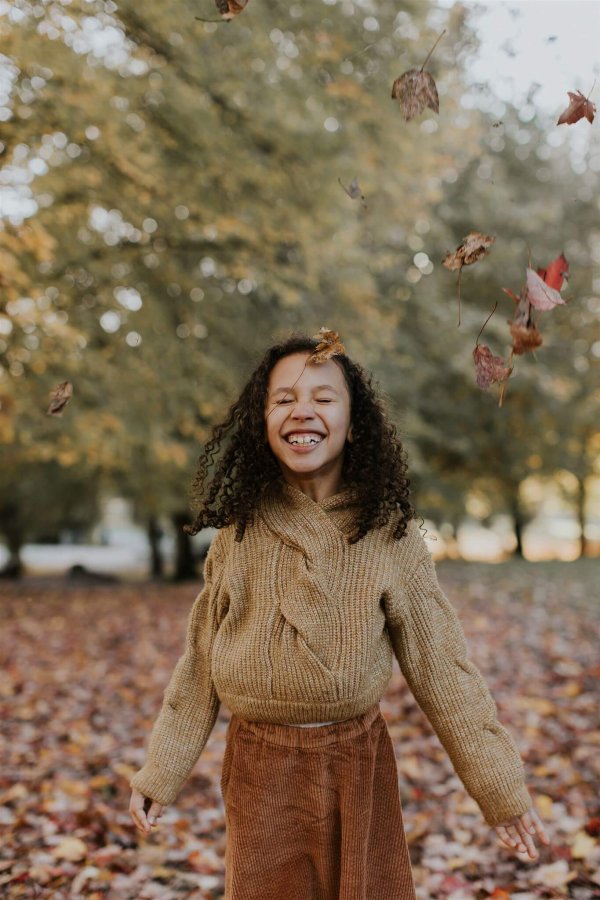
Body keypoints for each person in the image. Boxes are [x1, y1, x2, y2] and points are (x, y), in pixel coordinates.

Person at [129, 328, 549, 899]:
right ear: (263, 423)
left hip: (357, 761)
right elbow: (199, 664)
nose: (303, 411)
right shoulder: (239, 533)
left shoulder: (389, 536)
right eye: (284, 399)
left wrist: (498, 789)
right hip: (260, 766)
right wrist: (162, 770)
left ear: (354, 424)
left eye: (323, 397)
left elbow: (443, 669)